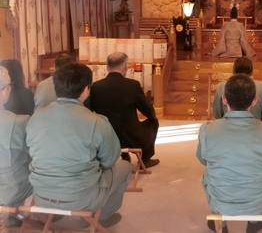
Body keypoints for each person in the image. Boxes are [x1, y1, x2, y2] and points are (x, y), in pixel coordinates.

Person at [26, 62, 131, 227]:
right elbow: (110, 160)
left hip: (41, 195)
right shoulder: (97, 121)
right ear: (86, 89)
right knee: (125, 167)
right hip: (81, 197)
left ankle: (53, 214)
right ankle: (103, 217)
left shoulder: (35, 118)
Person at [197, 74, 262, 233]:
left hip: (221, 201)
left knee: (208, 171)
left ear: (224, 99)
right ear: (255, 100)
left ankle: (220, 220)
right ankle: (255, 218)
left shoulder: (208, 130)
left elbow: (203, 159)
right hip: (260, 202)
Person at [88, 52, 160, 168]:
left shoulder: (95, 87)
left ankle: (124, 156)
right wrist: (152, 116)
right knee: (153, 122)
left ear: (107, 67)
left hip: (105, 137)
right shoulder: (132, 86)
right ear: (124, 66)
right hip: (131, 138)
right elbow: (148, 111)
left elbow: (89, 111)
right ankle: (145, 160)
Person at [0, 66, 32, 227]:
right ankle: (15, 214)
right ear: (5, 90)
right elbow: (34, 154)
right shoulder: (18, 122)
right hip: (9, 190)